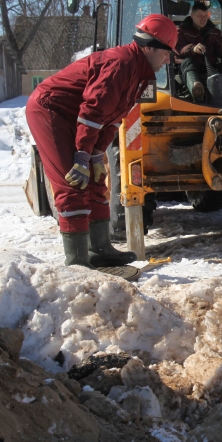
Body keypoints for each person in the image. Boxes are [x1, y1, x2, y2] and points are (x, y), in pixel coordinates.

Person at [26, 14, 177, 268]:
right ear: (148, 46)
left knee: (97, 179)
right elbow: (92, 112)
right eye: (166, 52)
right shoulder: (121, 64)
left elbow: (113, 119)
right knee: (72, 181)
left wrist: (96, 155)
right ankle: (78, 262)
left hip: (80, 117)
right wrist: (82, 155)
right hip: (50, 110)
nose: (168, 58)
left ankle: (100, 249)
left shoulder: (141, 74)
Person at [174, 1, 222, 103]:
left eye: (206, 15)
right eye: (200, 16)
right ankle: (196, 87)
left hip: (210, 66)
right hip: (189, 67)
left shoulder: (214, 31)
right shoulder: (181, 31)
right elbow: (179, 49)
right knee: (188, 62)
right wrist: (193, 49)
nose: (204, 19)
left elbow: (220, 45)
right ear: (192, 15)